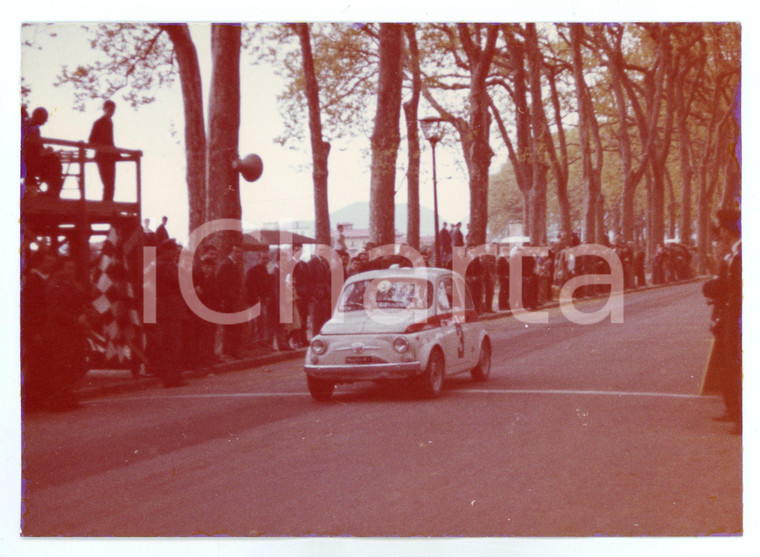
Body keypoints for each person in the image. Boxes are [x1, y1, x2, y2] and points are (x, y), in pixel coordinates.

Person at [703, 207, 742, 434]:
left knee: (737, 365)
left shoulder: (742, 253)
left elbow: (734, 285)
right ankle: (735, 411)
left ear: (727, 230)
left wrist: (711, 287)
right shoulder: (735, 254)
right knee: (729, 364)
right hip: (730, 316)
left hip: (738, 318)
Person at [22, 106, 64, 197]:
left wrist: (47, 150)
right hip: (27, 160)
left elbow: (38, 147)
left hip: (35, 159)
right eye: (44, 120)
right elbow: (29, 148)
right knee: (53, 162)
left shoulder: (36, 129)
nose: (44, 123)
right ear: (38, 117)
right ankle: (52, 191)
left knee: (54, 161)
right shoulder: (25, 126)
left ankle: (52, 191)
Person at [216, 245, 245, 359]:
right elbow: (222, 284)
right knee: (231, 328)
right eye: (238, 253)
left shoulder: (232, 265)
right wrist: (227, 299)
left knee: (234, 328)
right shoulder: (226, 265)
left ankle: (232, 351)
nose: (240, 256)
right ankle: (230, 351)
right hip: (229, 302)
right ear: (234, 252)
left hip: (233, 301)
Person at [89, 100, 118, 201]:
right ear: (104, 109)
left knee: (111, 185)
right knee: (108, 183)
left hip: (110, 157)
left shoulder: (110, 122)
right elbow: (91, 140)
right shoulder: (98, 123)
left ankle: (108, 205)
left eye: (113, 110)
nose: (112, 112)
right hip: (102, 157)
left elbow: (110, 140)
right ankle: (106, 206)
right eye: (110, 110)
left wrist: (115, 152)